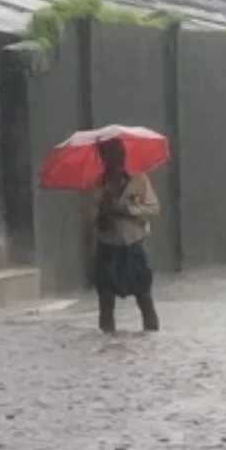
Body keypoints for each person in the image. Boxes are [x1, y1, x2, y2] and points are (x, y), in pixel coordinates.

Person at [88, 138, 160, 333]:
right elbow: (93, 221)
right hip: (108, 248)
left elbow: (153, 208)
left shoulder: (139, 179)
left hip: (134, 246)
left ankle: (152, 340)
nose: (116, 160)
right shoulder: (98, 185)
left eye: (118, 154)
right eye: (109, 155)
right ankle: (106, 341)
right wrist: (104, 209)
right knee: (106, 302)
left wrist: (128, 210)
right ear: (104, 159)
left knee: (145, 299)